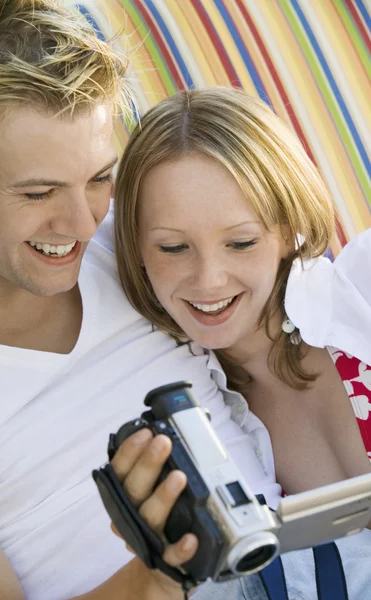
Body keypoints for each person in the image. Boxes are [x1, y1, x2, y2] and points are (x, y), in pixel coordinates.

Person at [0, 3, 283, 600]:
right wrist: (160, 574)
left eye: (97, 178)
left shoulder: (148, 245)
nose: (82, 222)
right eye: (38, 192)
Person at [114, 86, 371, 598]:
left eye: (241, 241)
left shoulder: (360, 288)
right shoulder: (196, 419)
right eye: (173, 247)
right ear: (136, 249)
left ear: (287, 225)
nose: (209, 279)